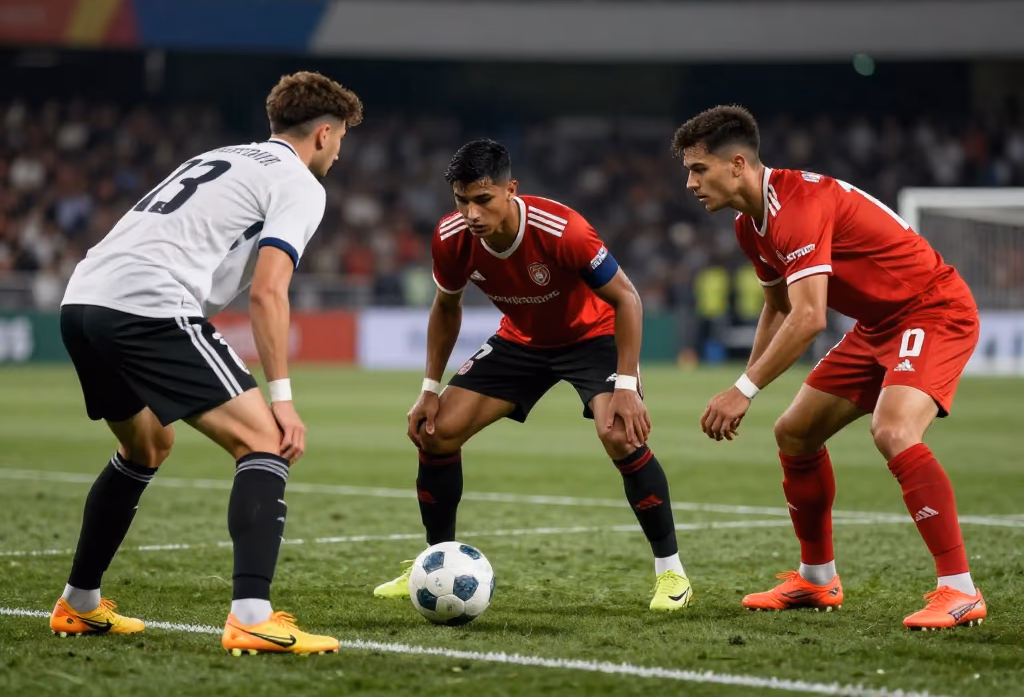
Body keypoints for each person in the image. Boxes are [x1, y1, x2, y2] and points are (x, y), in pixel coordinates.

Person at [52, 71, 363, 654]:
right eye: (341, 137)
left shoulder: (223, 156)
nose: (341, 151)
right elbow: (270, 290)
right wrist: (284, 400)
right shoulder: (300, 182)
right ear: (323, 134)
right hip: (146, 303)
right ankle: (251, 615)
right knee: (265, 441)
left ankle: (80, 603)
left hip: (82, 300)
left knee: (146, 446)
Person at [672, 105, 985, 630]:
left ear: (738, 165)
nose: (690, 183)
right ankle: (817, 579)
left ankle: (959, 589)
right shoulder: (752, 227)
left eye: (698, 169)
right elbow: (777, 308)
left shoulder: (797, 206)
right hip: (876, 324)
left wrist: (742, 390)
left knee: (894, 429)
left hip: (930, 308)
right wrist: (742, 387)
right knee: (794, 432)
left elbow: (811, 316)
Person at [372, 139, 691, 612]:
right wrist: (428, 390)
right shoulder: (450, 238)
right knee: (436, 434)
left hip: (593, 337)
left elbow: (627, 298)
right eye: (462, 201)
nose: (472, 214)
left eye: (483, 200)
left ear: (511, 190)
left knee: (620, 435)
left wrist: (626, 385)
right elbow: (446, 306)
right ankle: (433, 561)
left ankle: (672, 575)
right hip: (521, 341)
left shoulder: (564, 231)